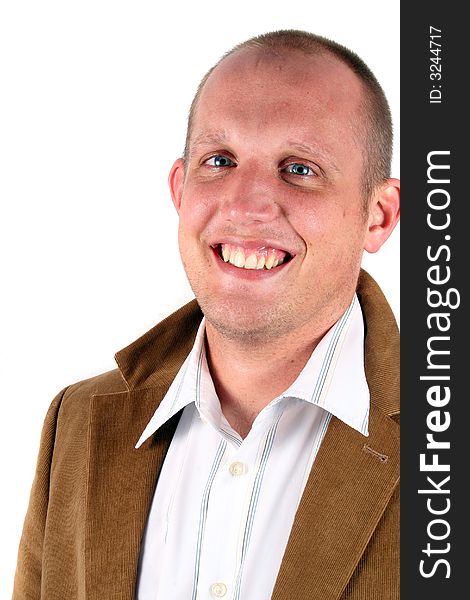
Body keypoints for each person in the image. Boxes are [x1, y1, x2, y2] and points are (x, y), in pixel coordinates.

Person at [13, 30, 400, 600]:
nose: (245, 204)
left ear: (378, 215)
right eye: (220, 161)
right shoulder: (76, 422)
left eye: (299, 169)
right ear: (179, 188)